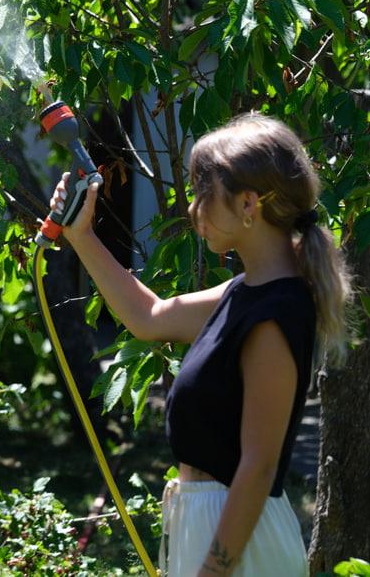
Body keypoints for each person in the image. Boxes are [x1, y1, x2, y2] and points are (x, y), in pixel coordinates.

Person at [50, 112, 350, 576]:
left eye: (202, 194)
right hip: (213, 527)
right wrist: (82, 235)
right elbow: (148, 317)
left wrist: (213, 570)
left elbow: (258, 468)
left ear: (249, 204)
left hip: (237, 545)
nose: (193, 209)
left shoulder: (274, 315)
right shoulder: (243, 294)